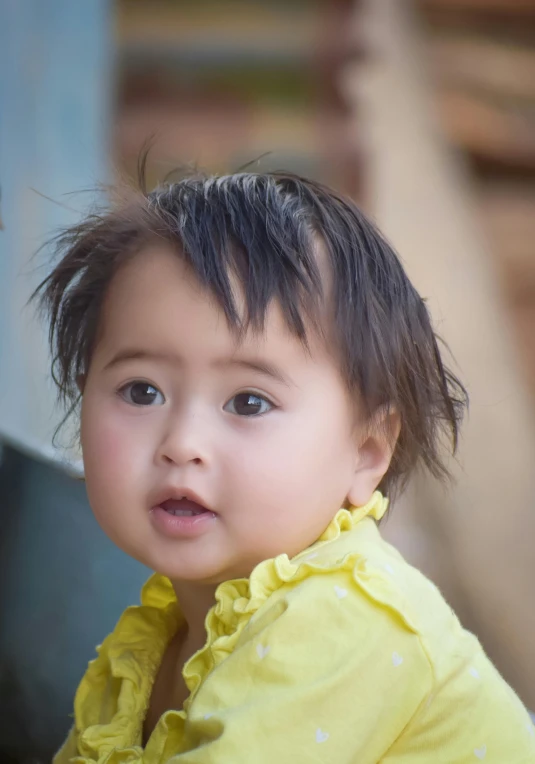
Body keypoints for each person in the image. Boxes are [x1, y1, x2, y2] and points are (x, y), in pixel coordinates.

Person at [34, 172, 535, 763]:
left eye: (249, 402)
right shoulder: (162, 636)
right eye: (142, 391)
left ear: (367, 452)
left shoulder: (341, 620)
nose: (182, 443)